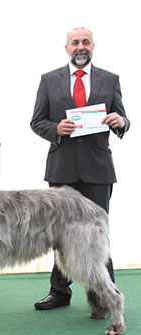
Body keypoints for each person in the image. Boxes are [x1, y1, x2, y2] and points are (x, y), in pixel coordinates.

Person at [30, 27, 130, 310]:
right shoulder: (49, 80)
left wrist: (120, 123)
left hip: (98, 170)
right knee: (60, 234)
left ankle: (103, 294)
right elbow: (37, 121)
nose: (80, 47)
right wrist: (56, 128)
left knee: (98, 233)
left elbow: (123, 119)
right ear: (67, 48)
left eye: (85, 42)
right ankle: (59, 292)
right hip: (62, 170)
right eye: (75, 42)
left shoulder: (109, 80)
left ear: (93, 46)